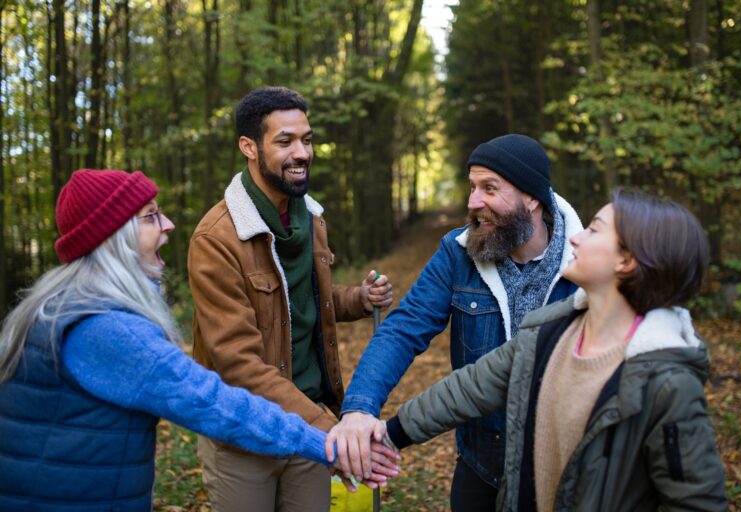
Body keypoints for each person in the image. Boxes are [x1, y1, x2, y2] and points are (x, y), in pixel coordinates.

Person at [0, 169, 397, 512]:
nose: (169, 224)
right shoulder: (107, 330)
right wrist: (328, 444)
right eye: (151, 216)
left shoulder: (61, 306)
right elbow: (212, 402)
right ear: (111, 240)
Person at [382, 188, 728, 511]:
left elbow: (696, 501)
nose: (575, 237)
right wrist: (388, 435)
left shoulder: (667, 384)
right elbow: (471, 388)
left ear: (626, 261)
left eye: (594, 230)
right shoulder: (549, 330)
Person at [327, 133, 583, 510]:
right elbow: (405, 327)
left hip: (563, 471)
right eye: (472, 187)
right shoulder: (459, 252)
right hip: (482, 464)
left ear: (532, 198)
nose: (473, 202)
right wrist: (359, 409)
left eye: (489, 188)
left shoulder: (587, 261)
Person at [187, 86, 394, 512]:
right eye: (285, 141)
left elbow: (300, 301)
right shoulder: (217, 238)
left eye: (307, 139)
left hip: (306, 424)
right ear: (249, 147)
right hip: (243, 432)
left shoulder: (309, 218)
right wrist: (328, 431)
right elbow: (238, 364)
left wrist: (358, 298)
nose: (302, 153)